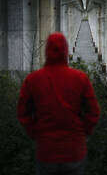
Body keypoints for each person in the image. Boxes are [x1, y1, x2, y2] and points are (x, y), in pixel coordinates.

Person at [17, 32, 100, 175]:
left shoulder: (33, 79)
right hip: (75, 149)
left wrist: (35, 133)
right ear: (66, 51)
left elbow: (22, 113)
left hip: (46, 150)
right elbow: (93, 112)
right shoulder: (80, 78)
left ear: (46, 51)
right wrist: (83, 131)